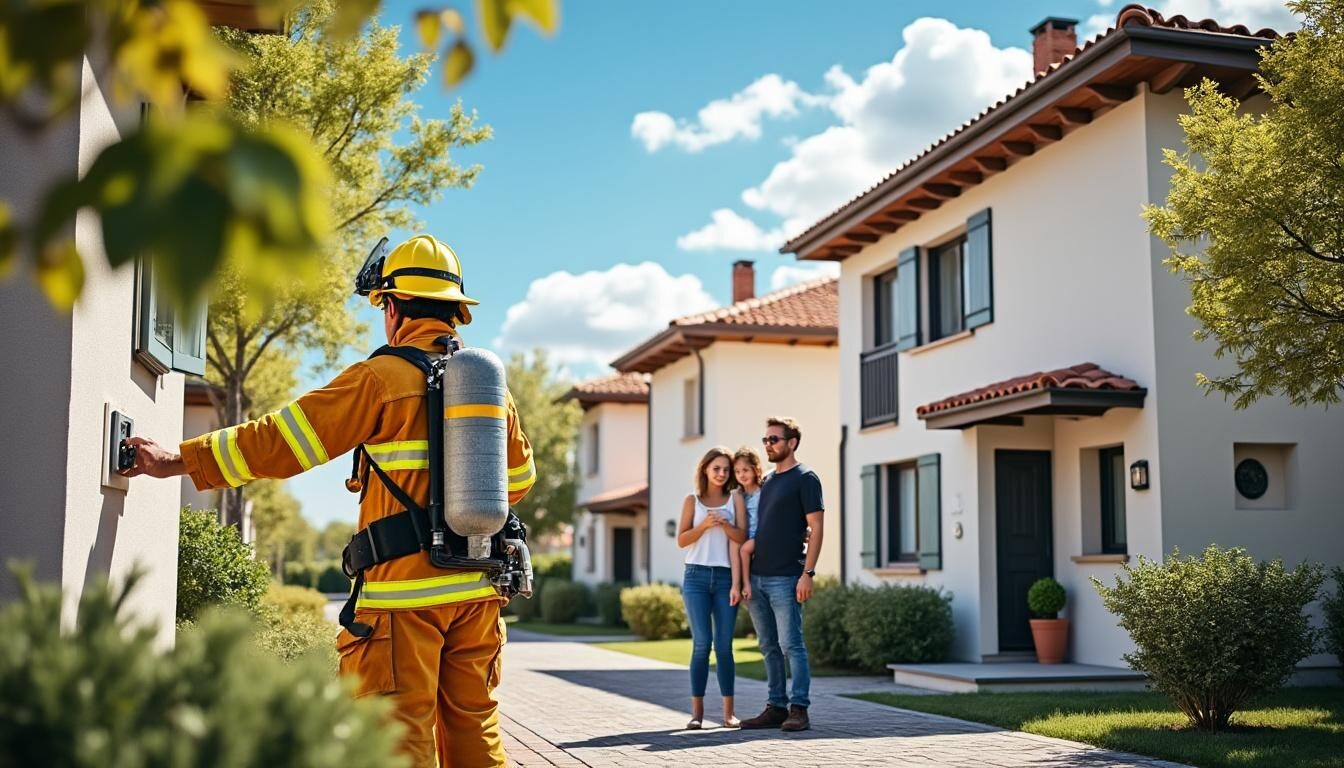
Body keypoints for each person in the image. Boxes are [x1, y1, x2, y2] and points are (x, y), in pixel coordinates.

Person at [118, 234, 536, 768]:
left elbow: (283, 441)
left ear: (392, 306)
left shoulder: (379, 379)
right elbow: (519, 479)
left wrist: (177, 458)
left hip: (402, 602)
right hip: (478, 592)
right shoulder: (488, 388)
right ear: (455, 311)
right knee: (476, 728)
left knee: (397, 737)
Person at [739, 417, 823, 733]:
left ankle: (798, 708)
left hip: (787, 577)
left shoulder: (806, 479)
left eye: (774, 439)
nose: (768, 444)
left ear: (792, 442)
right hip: (758, 578)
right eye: (766, 439)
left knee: (792, 645)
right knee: (768, 646)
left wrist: (808, 573)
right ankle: (776, 707)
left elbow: (816, 529)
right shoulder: (770, 482)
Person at [676, 446, 748, 729]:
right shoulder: (692, 501)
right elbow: (682, 540)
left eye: (726, 469)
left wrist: (726, 525)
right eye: (716, 468)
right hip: (695, 577)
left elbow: (741, 536)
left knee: (724, 646)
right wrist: (705, 524)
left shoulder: (735, 499)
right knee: (701, 644)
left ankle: (728, 714)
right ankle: (697, 714)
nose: (721, 474)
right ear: (705, 469)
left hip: (725, 579)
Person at [732, 446, 764, 585]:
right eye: (737, 471)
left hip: (761, 538)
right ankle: (742, 585)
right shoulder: (739, 495)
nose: (741, 475)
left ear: (755, 469)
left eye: (745, 470)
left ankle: (745, 583)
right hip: (745, 539)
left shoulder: (763, 492)